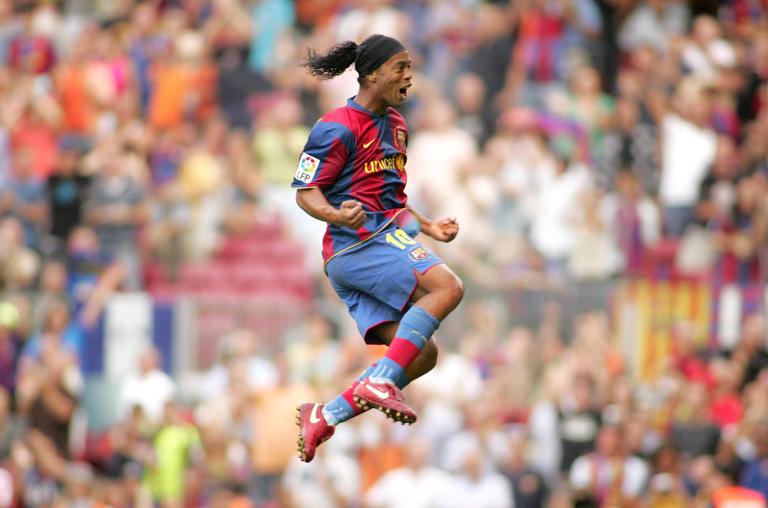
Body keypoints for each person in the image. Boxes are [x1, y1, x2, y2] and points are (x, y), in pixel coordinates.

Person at [292, 34, 465, 462]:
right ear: (371, 74)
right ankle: (379, 381)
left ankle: (326, 415)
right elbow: (304, 192)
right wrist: (335, 215)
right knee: (448, 288)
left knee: (422, 354)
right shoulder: (334, 125)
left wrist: (428, 226)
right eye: (401, 67)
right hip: (356, 245)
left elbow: (392, 199)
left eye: (411, 68)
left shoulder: (399, 128)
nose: (409, 77)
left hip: (377, 243)